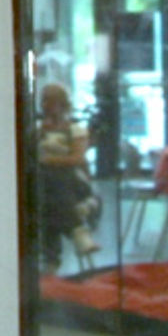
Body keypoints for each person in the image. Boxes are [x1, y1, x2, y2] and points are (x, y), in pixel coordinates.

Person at [34, 82, 100, 269]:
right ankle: (77, 230)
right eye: (43, 100)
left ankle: (52, 259)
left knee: (53, 185)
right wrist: (40, 132)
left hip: (72, 181)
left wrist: (48, 160)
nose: (45, 105)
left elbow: (77, 158)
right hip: (49, 185)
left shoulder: (75, 129)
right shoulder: (38, 129)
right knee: (47, 203)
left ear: (62, 104)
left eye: (50, 101)